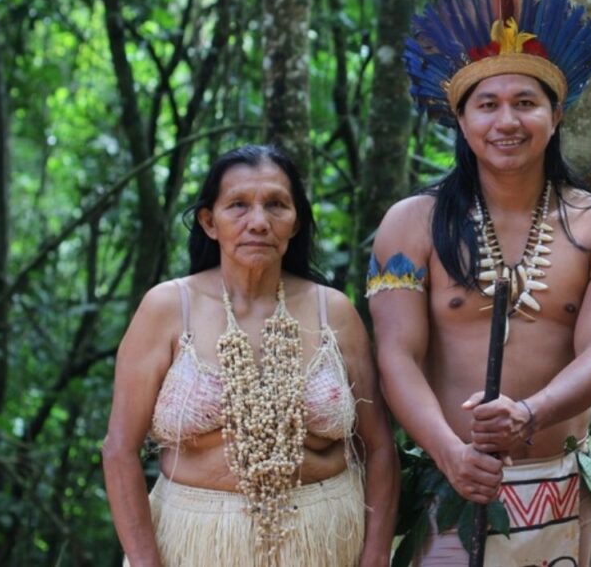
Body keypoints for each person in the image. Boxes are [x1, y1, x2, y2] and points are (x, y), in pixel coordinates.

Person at [368, 0, 591, 566]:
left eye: (526, 102)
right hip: (450, 479)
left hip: (557, 483)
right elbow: (396, 355)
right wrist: (449, 453)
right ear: (460, 120)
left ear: (556, 113)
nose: (507, 121)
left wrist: (530, 412)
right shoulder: (412, 225)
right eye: (487, 105)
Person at [102, 144, 398, 567]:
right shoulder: (167, 308)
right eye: (238, 205)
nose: (258, 222)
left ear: (295, 223)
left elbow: (379, 447)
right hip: (193, 543)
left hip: (326, 540)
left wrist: (375, 556)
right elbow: (119, 450)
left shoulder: (333, 311)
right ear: (209, 221)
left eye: (276, 205)